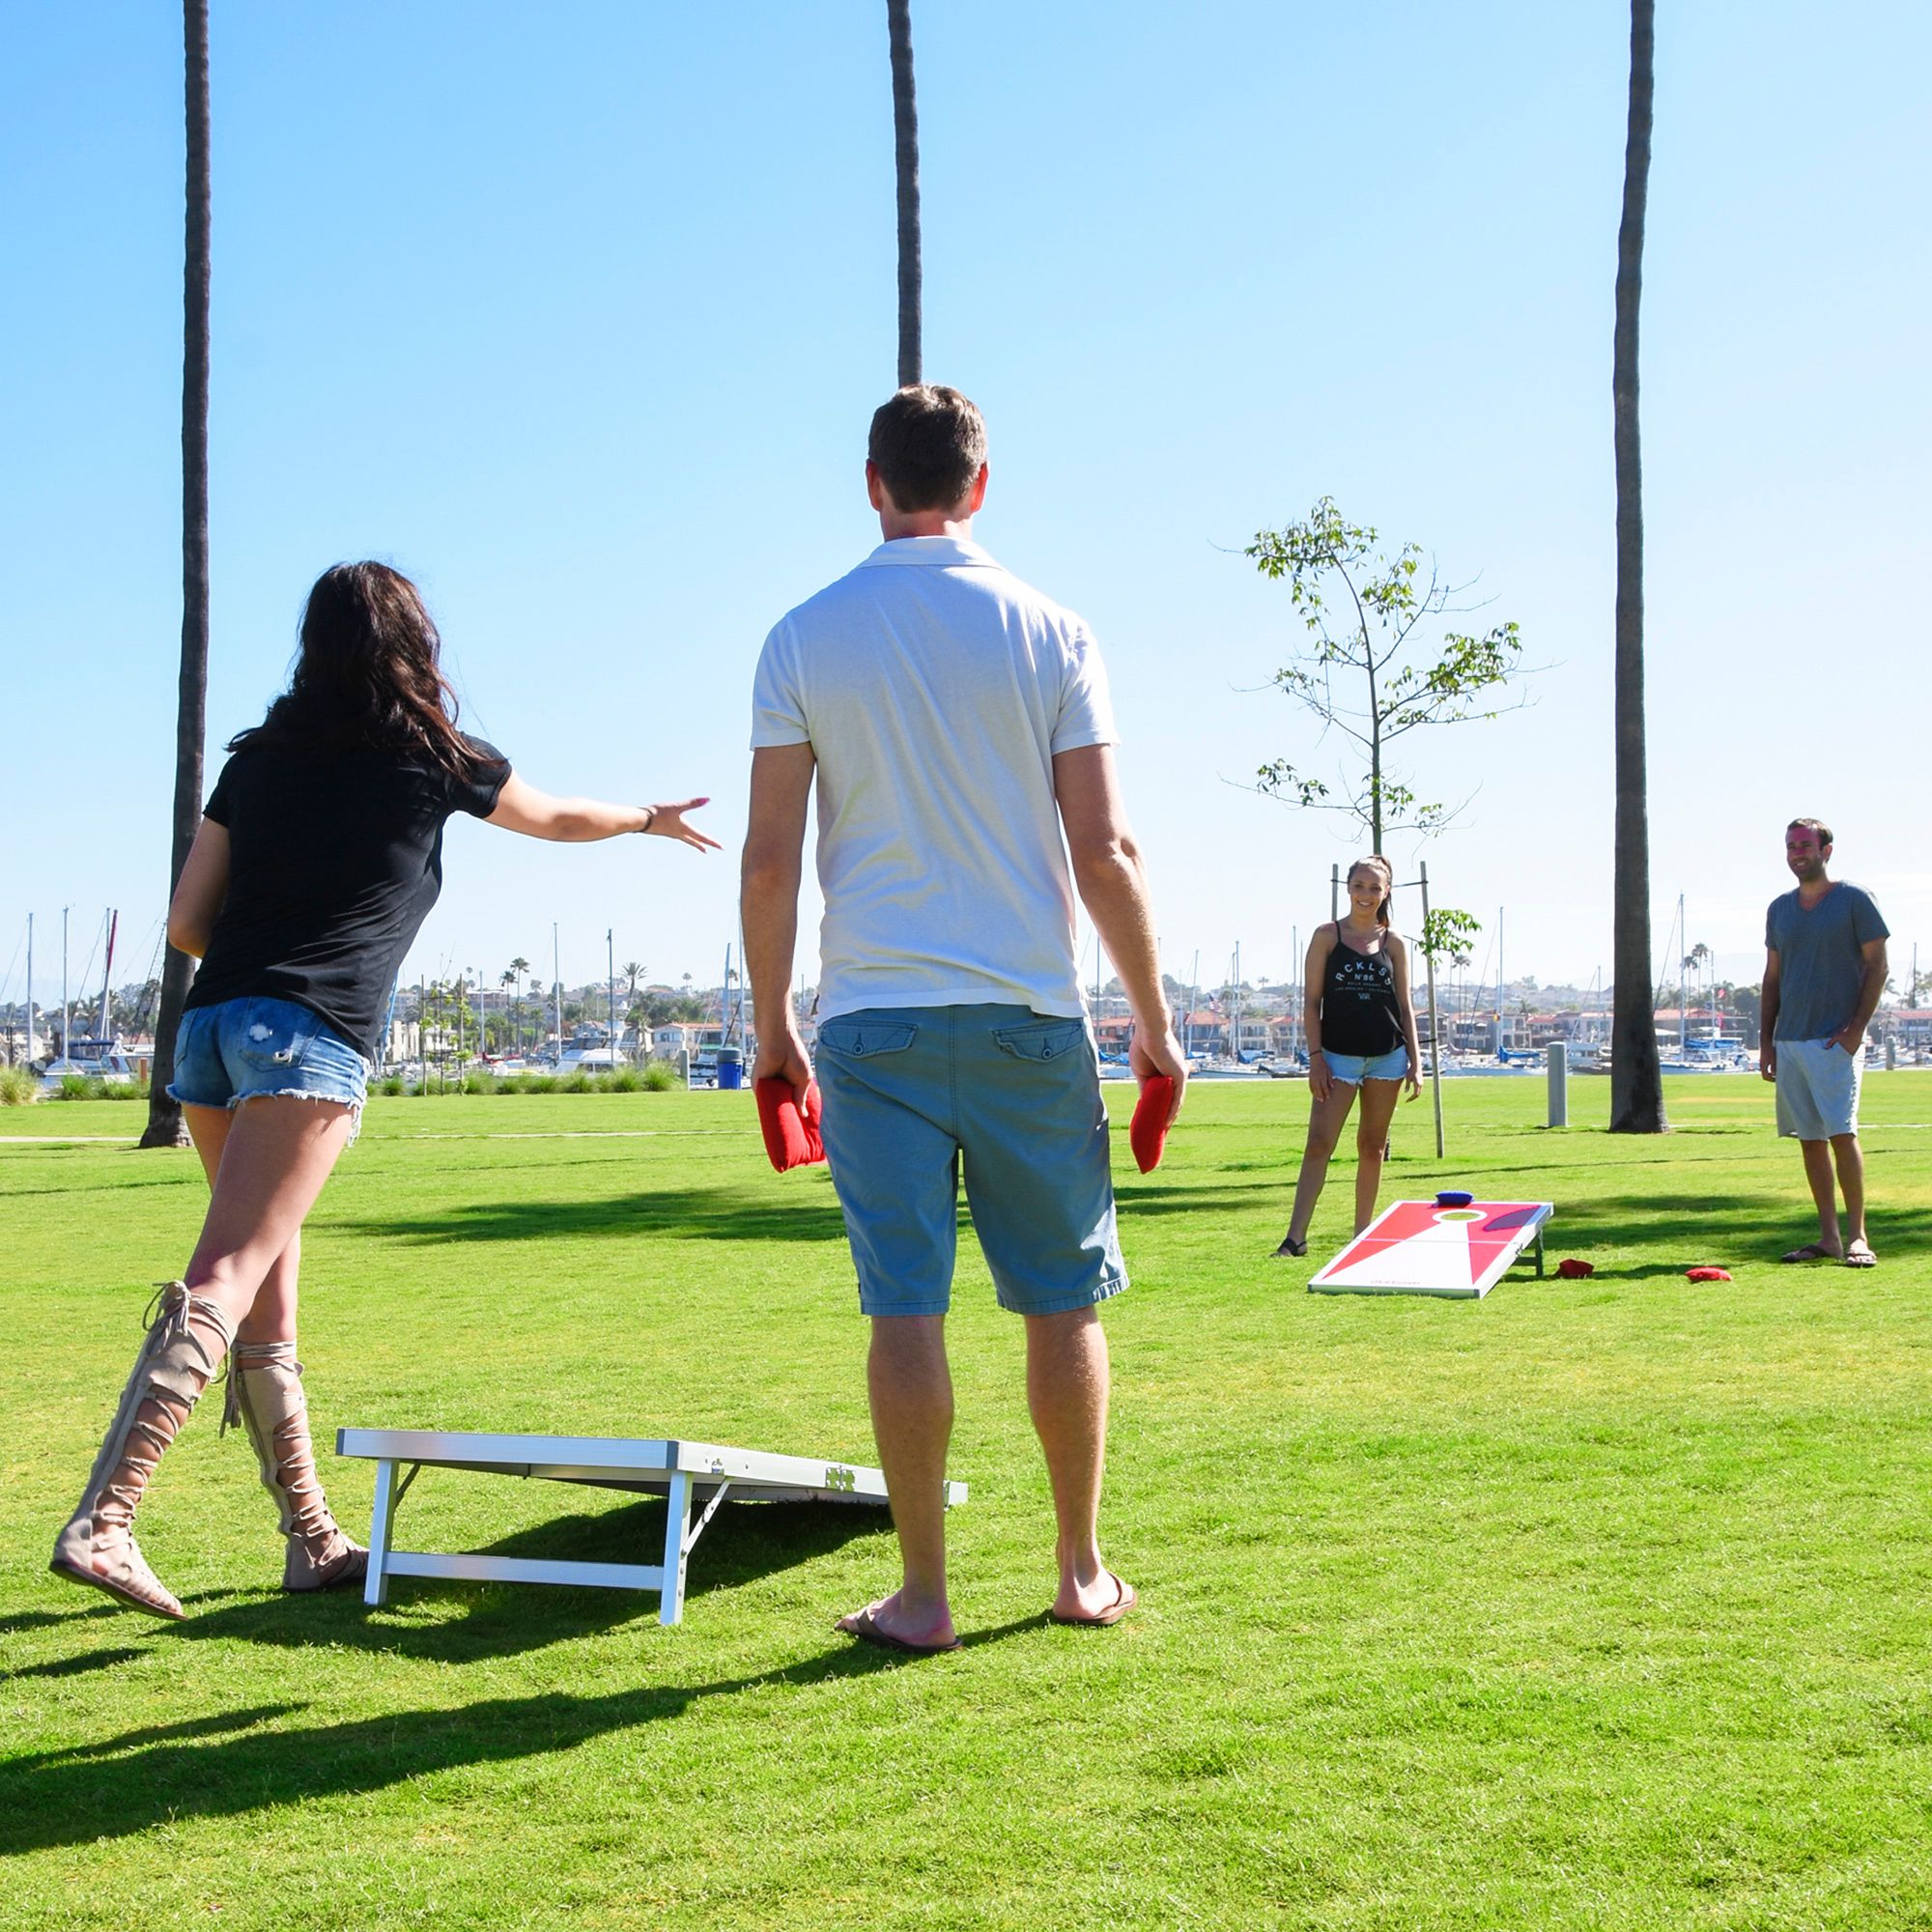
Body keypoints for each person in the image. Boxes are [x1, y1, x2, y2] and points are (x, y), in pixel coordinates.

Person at [51, 561, 719, 1620]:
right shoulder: (430, 754)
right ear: (413, 643)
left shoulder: (256, 761)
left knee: (268, 1289)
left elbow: (185, 921)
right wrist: (646, 816)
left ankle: (311, 1537)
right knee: (229, 1270)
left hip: (213, 1029)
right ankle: (108, 1517)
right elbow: (551, 819)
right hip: (307, 1037)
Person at [741, 384, 1186, 1654]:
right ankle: (1079, 1570)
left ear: (872, 482)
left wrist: (773, 1025)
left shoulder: (801, 637)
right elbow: (1103, 850)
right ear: (980, 487)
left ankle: (926, 1595)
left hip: (870, 1023)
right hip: (1029, 1017)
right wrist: (1153, 1024)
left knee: (906, 1312)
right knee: (1062, 1303)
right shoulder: (1055, 630)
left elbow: (768, 863)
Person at [1271, 856, 1423, 1259]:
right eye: (1359, 886)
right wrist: (1316, 1057)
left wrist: (1416, 1061)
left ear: (1386, 892)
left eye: (1375, 888)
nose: (1366, 894)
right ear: (1348, 888)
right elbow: (1311, 1003)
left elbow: (1405, 1007)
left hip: (1387, 1059)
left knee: (1372, 1146)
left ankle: (1362, 1237)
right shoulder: (1326, 936)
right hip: (1337, 1059)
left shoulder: (1395, 943)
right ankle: (1295, 1239)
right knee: (1319, 1143)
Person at [1760, 817, 1889, 1267]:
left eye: (1805, 845)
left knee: (1841, 1132)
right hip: (1791, 1040)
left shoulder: (1855, 900)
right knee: (1810, 1140)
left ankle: (1858, 1238)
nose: (1797, 852)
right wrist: (1768, 1041)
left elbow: (1878, 966)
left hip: (1836, 1042)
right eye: (1791, 845)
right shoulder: (1779, 909)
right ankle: (1829, 1238)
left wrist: (1855, 1029)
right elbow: (1772, 978)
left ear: (1826, 851)